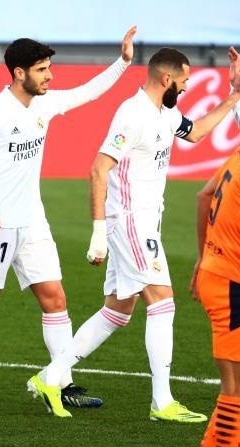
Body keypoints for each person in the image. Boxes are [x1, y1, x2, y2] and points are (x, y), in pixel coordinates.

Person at [29, 47, 240, 421]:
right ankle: (162, 402)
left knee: (117, 311)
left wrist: (234, 95)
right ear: (166, 79)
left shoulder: (165, 112)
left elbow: (195, 133)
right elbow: (98, 169)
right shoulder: (132, 114)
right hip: (131, 221)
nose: (187, 87)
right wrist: (98, 233)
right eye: (184, 81)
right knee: (163, 303)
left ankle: (50, 377)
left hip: (144, 222)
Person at [0, 27, 137, 412]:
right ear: (19, 73)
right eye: (42, 69)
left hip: (33, 222)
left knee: (55, 299)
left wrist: (123, 62)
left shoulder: (45, 104)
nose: (50, 76)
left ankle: (60, 382)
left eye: (49, 68)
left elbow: (89, 92)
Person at [193, 49, 240, 447]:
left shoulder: (235, 159)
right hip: (231, 287)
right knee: (234, 391)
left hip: (216, 272)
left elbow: (204, 196)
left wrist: (201, 257)